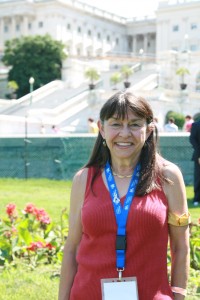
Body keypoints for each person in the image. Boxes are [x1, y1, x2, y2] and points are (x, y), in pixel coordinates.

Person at [58, 91, 190, 300]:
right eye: (116, 124)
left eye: (135, 124)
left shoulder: (168, 176)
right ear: (101, 129)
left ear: (149, 130)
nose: (125, 133)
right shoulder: (83, 179)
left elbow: (180, 247)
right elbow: (72, 249)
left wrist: (178, 295)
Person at [189, 120, 200, 206]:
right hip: (199, 155)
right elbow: (192, 139)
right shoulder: (196, 124)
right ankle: (196, 198)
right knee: (198, 178)